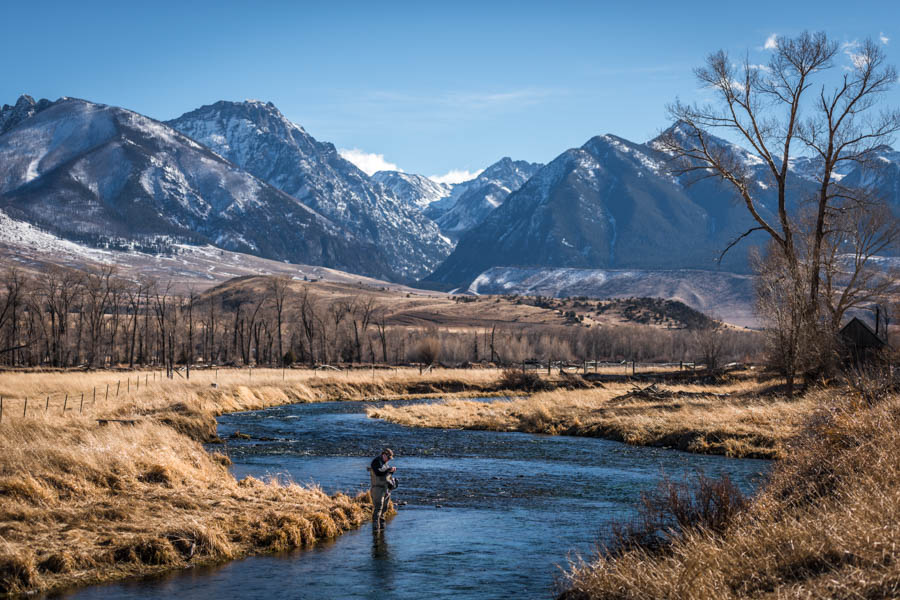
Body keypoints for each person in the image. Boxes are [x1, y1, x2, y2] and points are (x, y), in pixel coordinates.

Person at [369, 448, 395, 530]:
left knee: (385, 507)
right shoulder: (376, 462)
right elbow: (378, 473)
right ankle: (375, 528)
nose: (389, 460)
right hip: (378, 489)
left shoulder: (385, 463)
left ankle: (382, 525)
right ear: (384, 455)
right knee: (378, 507)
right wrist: (388, 470)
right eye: (388, 458)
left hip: (385, 488)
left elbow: (386, 475)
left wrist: (391, 471)